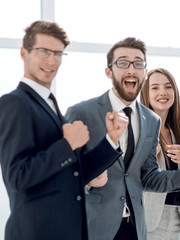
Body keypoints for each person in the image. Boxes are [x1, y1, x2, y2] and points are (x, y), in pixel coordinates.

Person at [0, 20, 127, 240]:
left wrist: (111, 139)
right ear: (24, 53)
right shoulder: (15, 103)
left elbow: (73, 174)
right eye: (43, 51)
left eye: (58, 54)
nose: (51, 61)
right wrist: (67, 145)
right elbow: (18, 177)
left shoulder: (49, 103)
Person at [65, 37, 180, 240]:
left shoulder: (151, 120)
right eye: (122, 62)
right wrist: (88, 180)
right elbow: (62, 174)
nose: (131, 69)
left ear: (145, 72)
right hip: (94, 228)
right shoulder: (82, 113)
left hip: (135, 229)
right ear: (108, 71)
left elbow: (147, 176)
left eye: (138, 63)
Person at [140, 68, 180, 239]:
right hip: (148, 218)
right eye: (154, 88)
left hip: (175, 216)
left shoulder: (178, 133)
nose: (162, 92)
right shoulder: (140, 130)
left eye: (168, 87)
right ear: (146, 93)